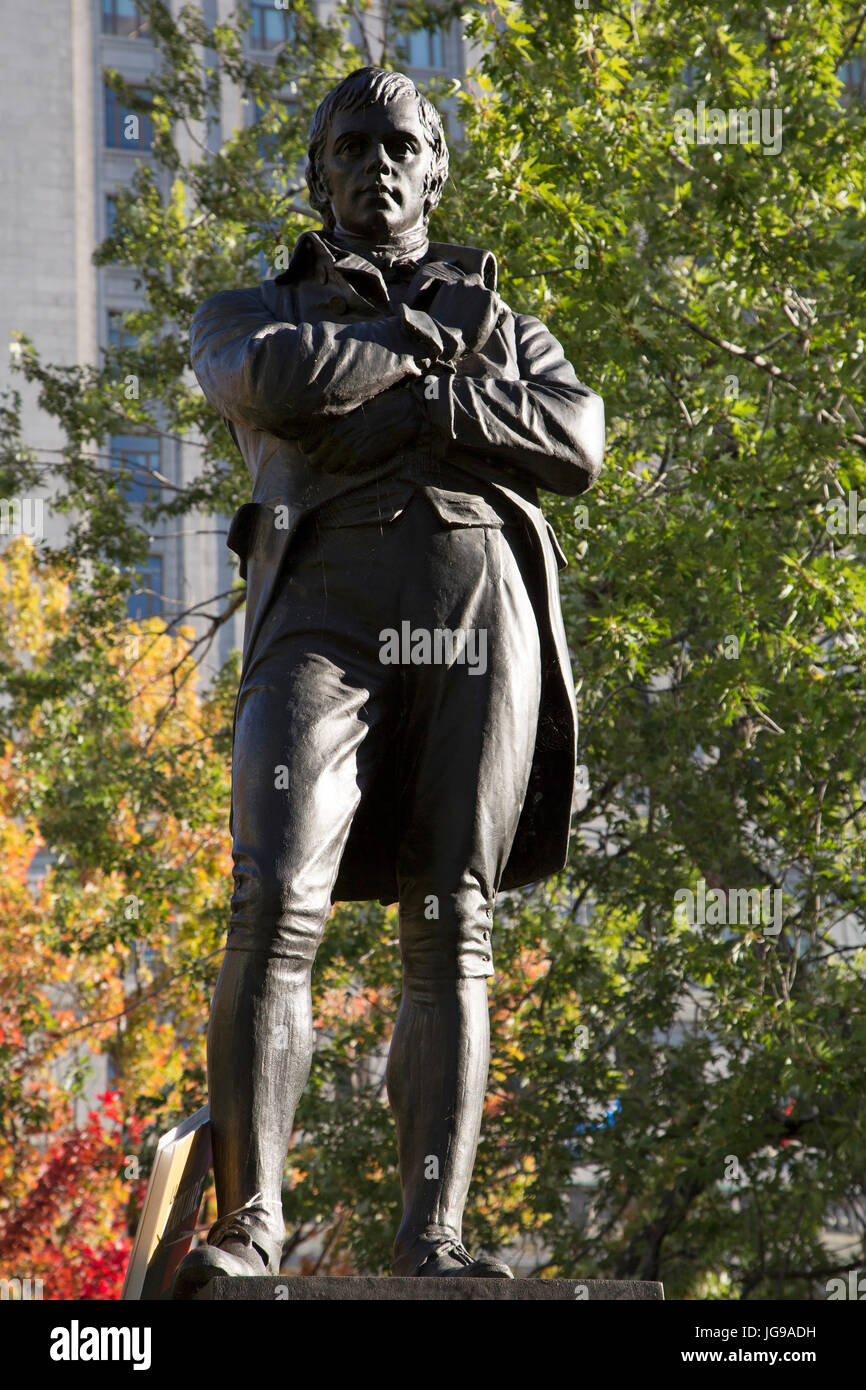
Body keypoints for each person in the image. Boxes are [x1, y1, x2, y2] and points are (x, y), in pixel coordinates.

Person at [174, 65, 603, 1294]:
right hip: (320, 612)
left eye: (404, 145)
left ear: (434, 171)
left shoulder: (508, 319)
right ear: (318, 175)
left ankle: (433, 1237)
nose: (380, 164)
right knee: (270, 896)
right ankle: (251, 1223)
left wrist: (403, 398)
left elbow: (574, 438)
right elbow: (269, 379)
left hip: (476, 609)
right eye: (353, 145)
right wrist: (436, 368)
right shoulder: (247, 306)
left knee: (448, 923)